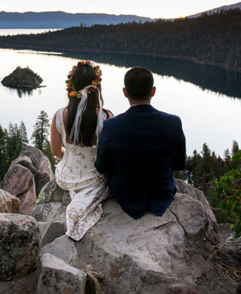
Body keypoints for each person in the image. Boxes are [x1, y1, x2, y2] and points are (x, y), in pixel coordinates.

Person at [95, 66, 186, 220]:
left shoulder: (111, 126)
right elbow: (178, 164)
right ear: (153, 91)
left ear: (125, 92)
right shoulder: (173, 122)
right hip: (162, 194)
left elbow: (102, 166)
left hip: (125, 195)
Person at [50, 60, 113, 241]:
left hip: (65, 177)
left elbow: (56, 151)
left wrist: (68, 156)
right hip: (94, 178)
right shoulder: (106, 117)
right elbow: (108, 154)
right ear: (96, 88)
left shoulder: (59, 115)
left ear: (71, 87)